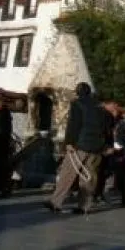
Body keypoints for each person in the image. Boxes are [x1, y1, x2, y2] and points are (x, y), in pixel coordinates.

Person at [44, 82, 107, 214]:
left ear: (78, 92)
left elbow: (74, 124)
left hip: (80, 145)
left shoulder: (77, 104)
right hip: (96, 147)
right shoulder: (100, 107)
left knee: (68, 173)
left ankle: (56, 202)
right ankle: (84, 206)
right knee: (88, 176)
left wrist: (69, 142)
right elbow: (105, 128)